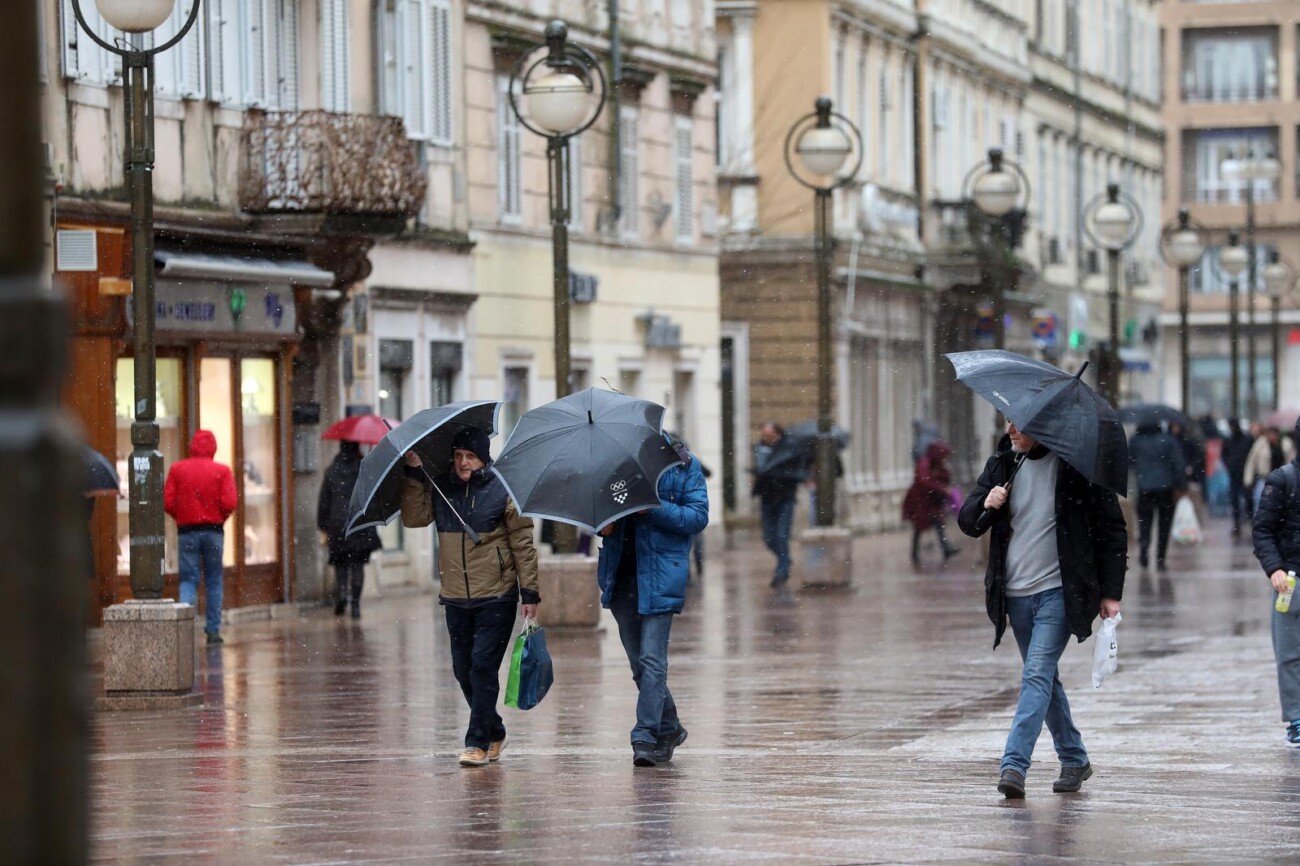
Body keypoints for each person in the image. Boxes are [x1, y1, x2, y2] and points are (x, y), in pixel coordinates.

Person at [958, 421, 1126, 799]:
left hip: (1060, 592)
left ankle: (1014, 764)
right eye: (1007, 420)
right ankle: (1074, 758)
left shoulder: (1077, 468)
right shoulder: (1002, 464)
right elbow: (968, 522)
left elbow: (1111, 529)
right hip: (1015, 593)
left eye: (1021, 423)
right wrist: (987, 503)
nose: (1011, 428)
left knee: (1035, 674)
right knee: (1045, 679)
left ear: (1045, 426)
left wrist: (1111, 592)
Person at [400, 427, 540, 767]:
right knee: (463, 670)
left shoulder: (502, 490)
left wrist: (530, 591)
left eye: (471, 457)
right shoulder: (441, 487)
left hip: (497, 595)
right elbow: (414, 518)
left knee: (482, 667)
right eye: (459, 455)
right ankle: (495, 730)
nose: (463, 462)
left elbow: (522, 542)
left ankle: (476, 742)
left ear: (483, 459)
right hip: (454, 596)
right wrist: (414, 475)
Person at [597, 435, 709, 767]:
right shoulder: (616, 471)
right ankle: (670, 727)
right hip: (621, 578)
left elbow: (697, 517)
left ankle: (644, 735)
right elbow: (601, 517)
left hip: (661, 577)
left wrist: (653, 509)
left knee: (652, 661)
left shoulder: (683, 466)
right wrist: (605, 526)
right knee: (639, 666)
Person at [164, 430, 237, 645]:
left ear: (192, 446)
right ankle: (213, 631)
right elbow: (230, 502)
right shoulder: (222, 471)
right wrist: (218, 517)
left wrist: (182, 516)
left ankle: (185, 631)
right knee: (214, 580)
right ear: (213, 448)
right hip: (214, 531)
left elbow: (168, 502)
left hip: (187, 532)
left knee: (188, 581)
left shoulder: (178, 469)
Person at [1252, 417, 1300, 747]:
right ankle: (1297, 718)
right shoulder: (1283, 480)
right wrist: (1275, 569)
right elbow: (1263, 530)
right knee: (1289, 654)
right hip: (1290, 582)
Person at [317, 440, 382, 618]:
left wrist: (323, 524)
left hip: (338, 525)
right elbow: (372, 498)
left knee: (341, 564)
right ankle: (355, 605)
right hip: (359, 523)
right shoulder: (363, 470)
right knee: (358, 565)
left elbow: (324, 502)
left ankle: (343, 595)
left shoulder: (331, 471)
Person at [1128, 421, 1187, 571]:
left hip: (1144, 487)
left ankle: (1144, 551)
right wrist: (1182, 485)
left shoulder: (1136, 441)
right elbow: (1178, 463)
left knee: (1145, 522)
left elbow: (1129, 461)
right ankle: (1161, 556)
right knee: (1164, 523)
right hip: (1165, 488)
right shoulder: (1168, 440)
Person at [752, 422, 802, 586]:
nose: (766, 438)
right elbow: (759, 469)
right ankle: (785, 559)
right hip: (767, 498)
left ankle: (781, 571)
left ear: (778, 435)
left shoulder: (789, 449)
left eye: (770, 435)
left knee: (782, 535)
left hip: (784, 498)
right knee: (768, 538)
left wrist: (778, 474)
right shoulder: (760, 449)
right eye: (764, 435)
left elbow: (797, 473)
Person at [902, 441, 959, 566]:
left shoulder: (937, 465)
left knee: (937, 523)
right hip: (920, 502)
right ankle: (915, 555)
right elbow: (924, 481)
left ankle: (945, 548)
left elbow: (943, 477)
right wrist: (941, 488)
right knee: (919, 527)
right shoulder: (924, 464)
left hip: (929, 502)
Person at [1246, 426, 1296, 512]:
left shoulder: (1286, 444)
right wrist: (1248, 479)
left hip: (1283, 478)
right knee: (1259, 499)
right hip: (1265, 477)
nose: (1272, 437)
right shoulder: (1261, 444)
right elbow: (1252, 461)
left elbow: (1292, 459)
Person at [1224, 419, 1257, 534]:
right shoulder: (1229, 440)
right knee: (1235, 499)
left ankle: (1249, 520)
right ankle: (1238, 523)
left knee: (1247, 498)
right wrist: (1229, 464)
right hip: (1235, 474)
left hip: (1245, 474)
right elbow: (1224, 454)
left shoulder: (1246, 440)